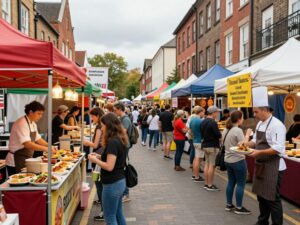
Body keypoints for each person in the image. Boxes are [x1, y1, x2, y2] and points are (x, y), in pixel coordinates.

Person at [242, 106, 286, 225]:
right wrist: (246, 145)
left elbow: (278, 148)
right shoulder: (260, 124)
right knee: (261, 196)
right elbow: (256, 140)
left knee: (272, 198)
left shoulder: (277, 125)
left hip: (274, 166)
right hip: (261, 164)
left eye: (256, 112)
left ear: (265, 110)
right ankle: (262, 221)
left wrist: (259, 152)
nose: (254, 115)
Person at [88, 113, 128, 225]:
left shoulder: (112, 142)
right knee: (118, 214)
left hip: (112, 184)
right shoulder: (119, 139)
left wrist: (94, 160)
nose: (101, 128)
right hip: (119, 182)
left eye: (103, 125)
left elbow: (109, 167)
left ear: (109, 126)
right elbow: (114, 160)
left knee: (110, 217)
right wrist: (100, 156)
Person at [7, 101, 56, 173]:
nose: (40, 116)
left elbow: (38, 139)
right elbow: (27, 144)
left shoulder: (33, 123)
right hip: (15, 160)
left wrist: (50, 146)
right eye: (38, 113)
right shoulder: (22, 123)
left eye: (41, 114)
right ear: (31, 112)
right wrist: (46, 149)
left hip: (27, 158)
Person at [223, 110, 251, 215]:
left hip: (228, 160)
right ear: (239, 119)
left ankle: (229, 205)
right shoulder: (237, 130)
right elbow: (244, 146)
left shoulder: (226, 129)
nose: (243, 119)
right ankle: (239, 207)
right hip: (238, 160)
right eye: (243, 117)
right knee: (240, 184)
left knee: (231, 182)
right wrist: (247, 134)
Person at [83, 108, 105, 221]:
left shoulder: (99, 127)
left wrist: (86, 142)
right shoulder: (104, 125)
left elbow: (95, 145)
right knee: (100, 183)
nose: (92, 119)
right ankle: (103, 207)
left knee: (98, 182)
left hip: (98, 156)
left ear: (97, 116)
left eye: (92, 116)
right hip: (102, 155)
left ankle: (103, 211)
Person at [113, 102, 132, 202]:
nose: (114, 111)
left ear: (120, 109)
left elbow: (122, 132)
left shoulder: (125, 119)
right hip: (122, 145)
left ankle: (126, 193)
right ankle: (123, 192)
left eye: (115, 110)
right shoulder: (121, 119)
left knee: (122, 169)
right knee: (121, 168)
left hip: (124, 146)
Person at [200, 106, 222, 191]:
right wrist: (220, 135)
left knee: (207, 164)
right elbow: (218, 135)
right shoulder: (213, 122)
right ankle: (210, 184)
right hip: (212, 146)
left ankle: (206, 183)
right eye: (217, 112)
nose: (217, 114)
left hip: (205, 145)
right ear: (213, 113)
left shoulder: (203, 121)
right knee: (212, 166)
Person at [190, 106, 205, 182]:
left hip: (195, 140)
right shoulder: (201, 121)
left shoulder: (192, 120)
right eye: (203, 112)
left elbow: (190, 131)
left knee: (196, 158)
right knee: (198, 159)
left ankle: (194, 174)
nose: (204, 114)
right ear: (200, 112)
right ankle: (196, 176)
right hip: (200, 141)